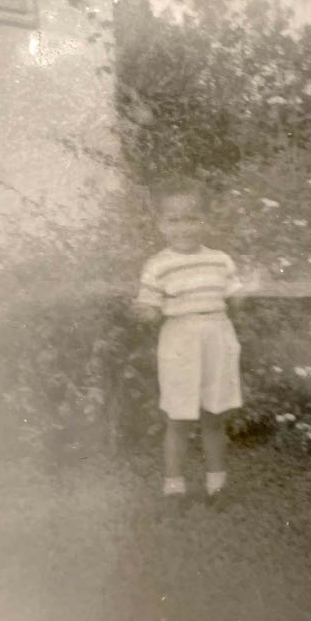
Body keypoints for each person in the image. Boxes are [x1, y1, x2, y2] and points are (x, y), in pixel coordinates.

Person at [132, 179, 243, 513]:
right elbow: (150, 308)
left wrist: (248, 291)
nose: (184, 228)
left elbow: (235, 299)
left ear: (205, 221)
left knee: (214, 415)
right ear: (161, 224)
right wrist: (144, 312)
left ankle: (216, 485)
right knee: (178, 418)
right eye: (174, 220)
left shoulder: (220, 261)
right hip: (180, 341)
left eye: (192, 219)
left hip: (217, 337)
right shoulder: (157, 265)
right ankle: (174, 487)